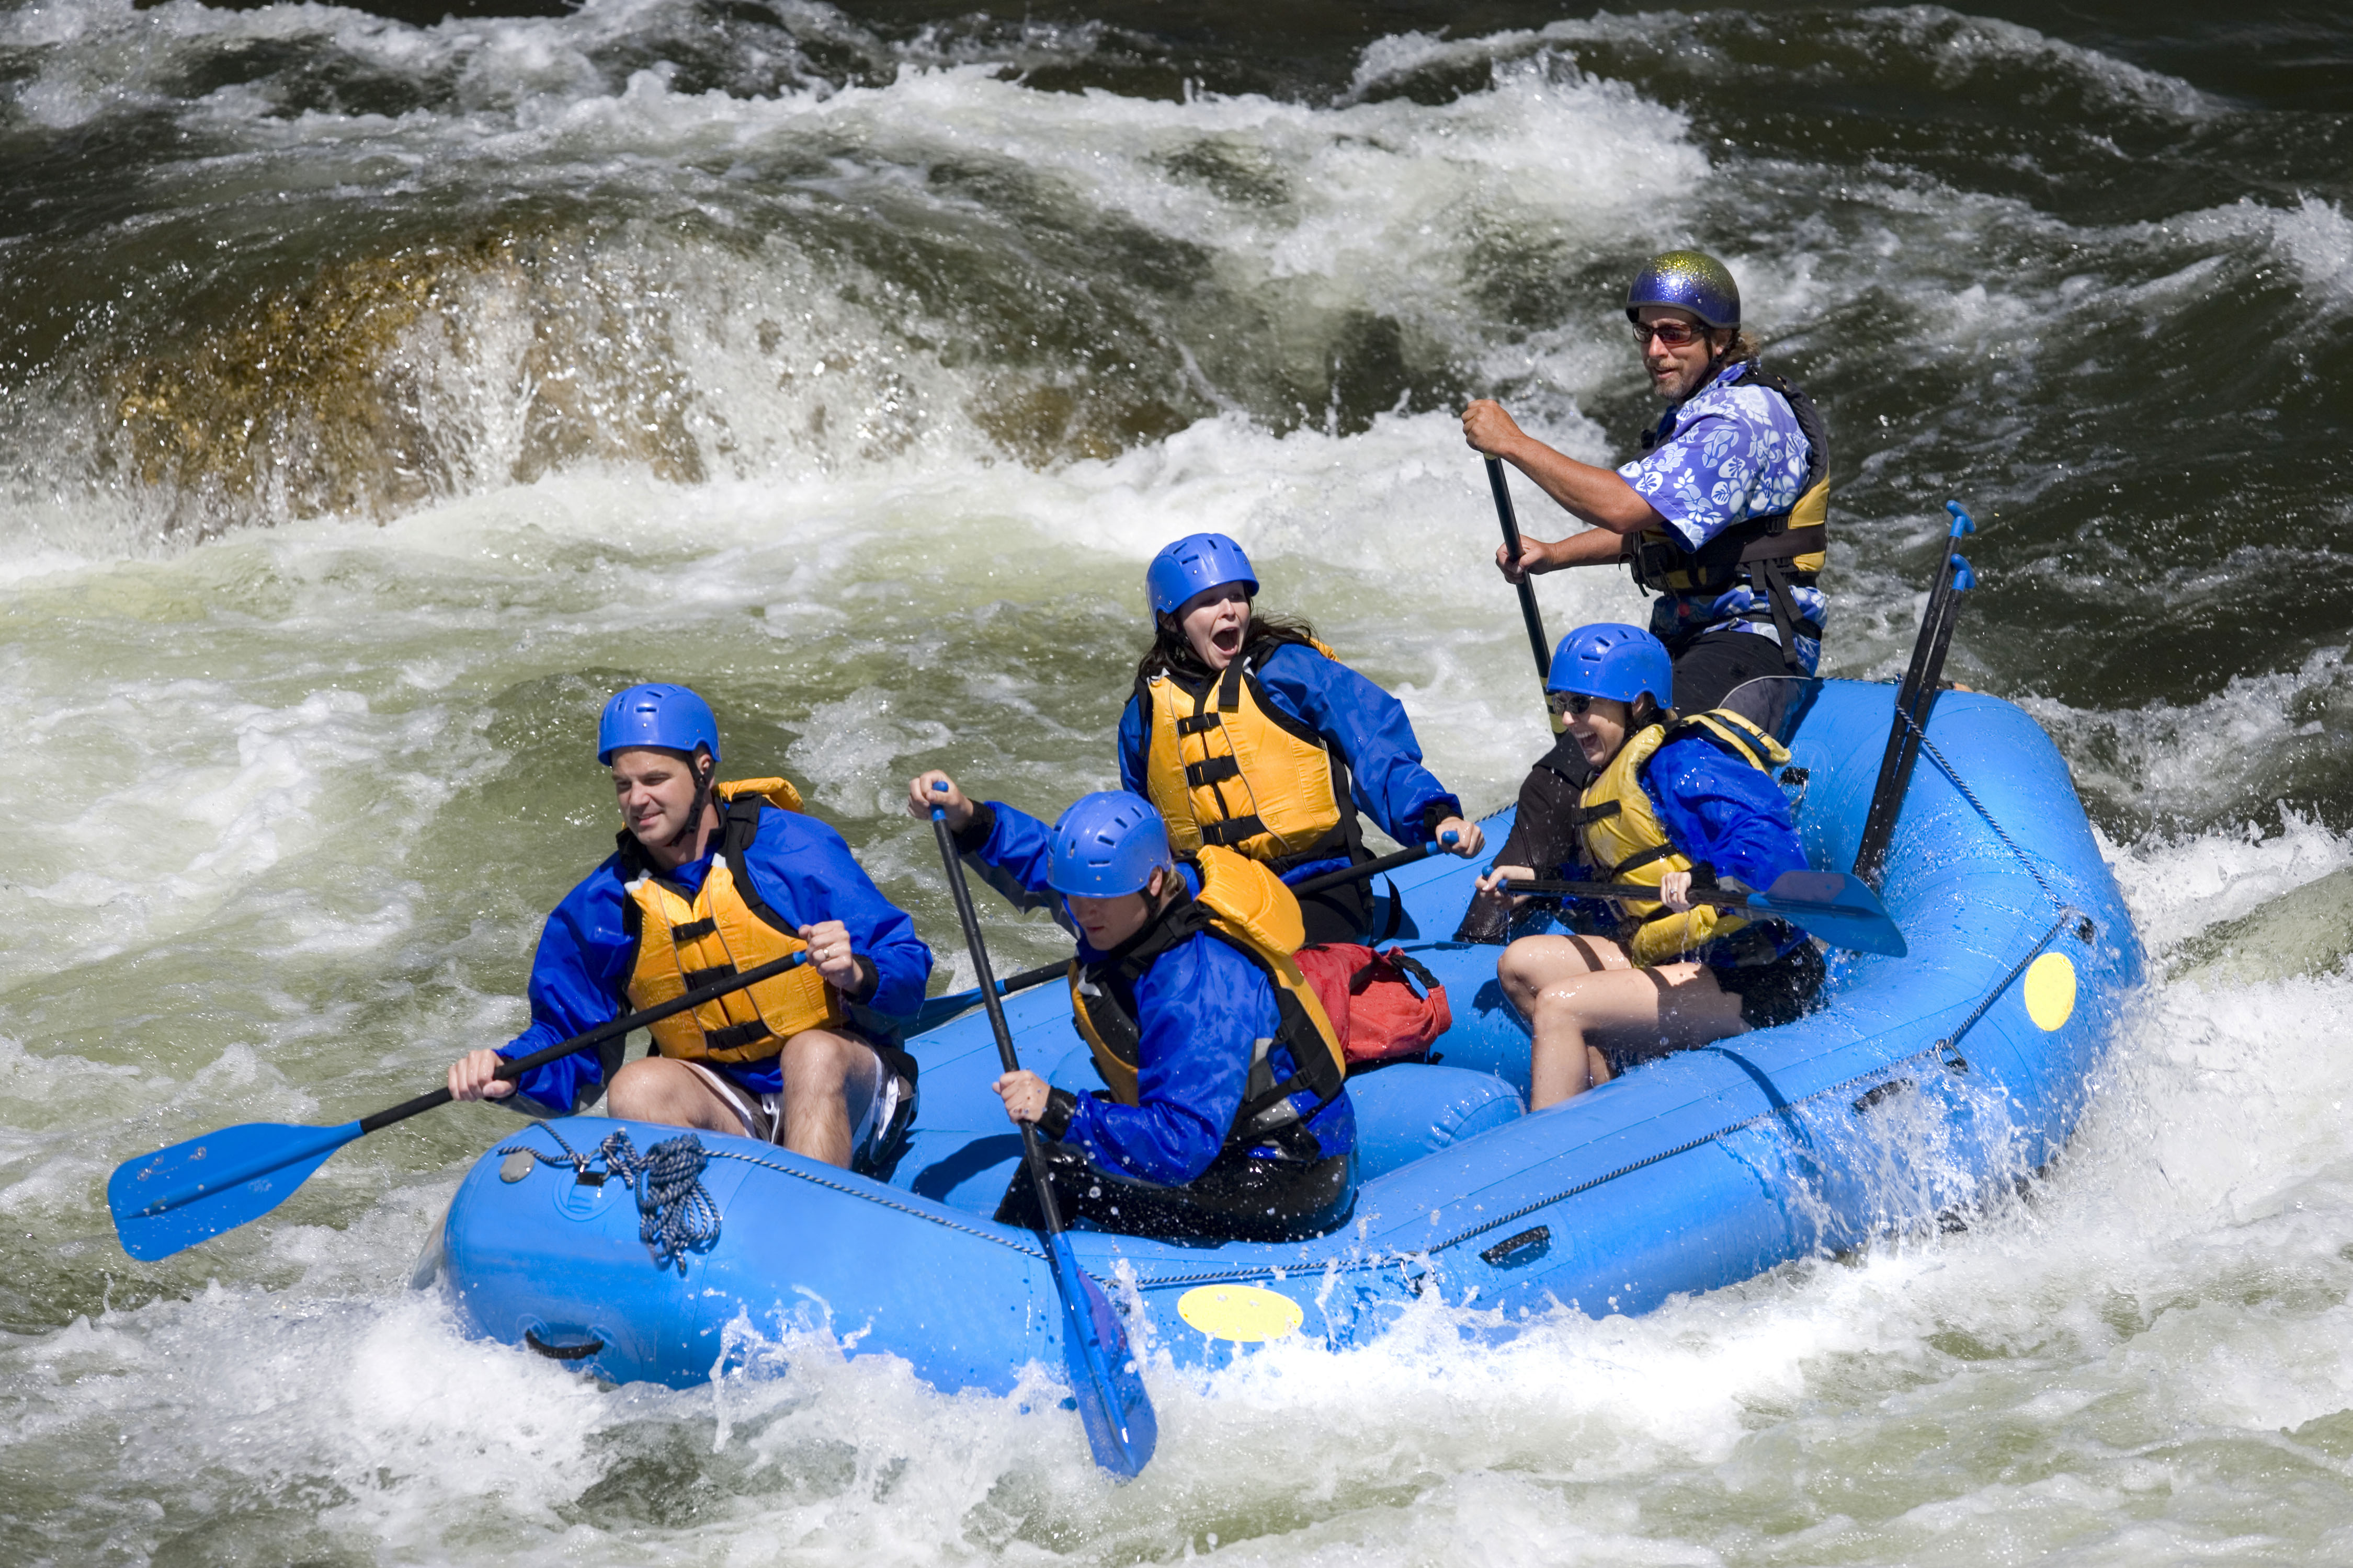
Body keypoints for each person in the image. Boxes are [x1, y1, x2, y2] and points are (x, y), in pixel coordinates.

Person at [1456, 250, 1830, 940]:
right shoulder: (1698, 415)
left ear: (1719, 339)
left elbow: (1628, 508)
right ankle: (1551, 918)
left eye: (1675, 333)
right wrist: (1551, 555)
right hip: (1688, 637)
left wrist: (1514, 444)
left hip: (1753, 639)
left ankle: (1485, 944)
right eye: (1646, 333)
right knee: (1573, 761)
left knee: (1607, 766)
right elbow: (1659, 527)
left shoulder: (1739, 423)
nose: (1655, 349)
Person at [447, 683, 932, 1171]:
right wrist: (511, 1073)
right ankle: (701, 1229)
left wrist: (858, 974)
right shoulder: (603, 903)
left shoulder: (793, 849)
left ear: (703, 769)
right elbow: (568, 1036)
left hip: (848, 1087)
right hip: (729, 1104)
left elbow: (907, 965)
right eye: (624, 784)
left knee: (811, 1052)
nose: (637, 800)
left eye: (655, 779)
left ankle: (812, 1228)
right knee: (636, 1085)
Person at [906, 774, 1356, 1242]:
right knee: (1073, 1137)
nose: (1081, 912)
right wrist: (968, 818)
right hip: (1225, 1137)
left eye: (1097, 899)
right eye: (1074, 896)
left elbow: (1182, 1143)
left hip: (1284, 1172)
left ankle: (999, 1292)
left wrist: (1059, 1111)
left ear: (1154, 881)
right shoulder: (1128, 899)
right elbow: (1045, 861)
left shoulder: (1197, 987)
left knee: (1062, 1170)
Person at [1461, 625, 1825, 1109]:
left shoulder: (1685, 759)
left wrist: (1703, 880)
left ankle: (1552, 1160)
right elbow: (1628, 881)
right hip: (1676, 955)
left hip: (1751, 974)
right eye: (1561, 704)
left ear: (1636, 703)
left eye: (1582, 703)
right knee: (1520, 965)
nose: (1568, 719)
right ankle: (1606, 1102)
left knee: (1560, 1006)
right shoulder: (1606, 777)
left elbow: (1772, 852)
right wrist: (1544, 885)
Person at [1119, 531, 1483, 946]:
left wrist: (1434, 816)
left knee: (1266, 963)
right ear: (1170, 620)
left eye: (1236, 596)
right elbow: (1142, 824)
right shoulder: (1145, 713)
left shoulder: (1287, 670)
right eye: (1207, 602)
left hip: (1318, 879)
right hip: (1217, 892)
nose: (1228, 612)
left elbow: (1374, 745)